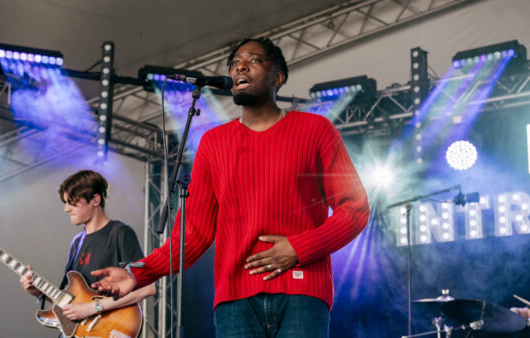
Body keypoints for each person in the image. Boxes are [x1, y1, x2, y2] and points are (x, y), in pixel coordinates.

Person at [92, 37, 370, 337]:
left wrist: (298, 248)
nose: (241, 66)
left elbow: (355, 210)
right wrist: (138, 272)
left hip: (302, 292)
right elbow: (194, 233)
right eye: (236, 63)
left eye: (254, 60)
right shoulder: (213, 144)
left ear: (278, 77)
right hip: (235, 302)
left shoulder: (315, 130)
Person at [19, 170, 155, 327]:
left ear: (95, 200)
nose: (67, 209)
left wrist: (93, 308)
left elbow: (147, 288)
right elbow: (72, 302)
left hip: (108, 329)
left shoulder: (120, 232)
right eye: (66, 203)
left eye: (72, 202)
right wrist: (38, 291)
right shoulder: (77, 242)